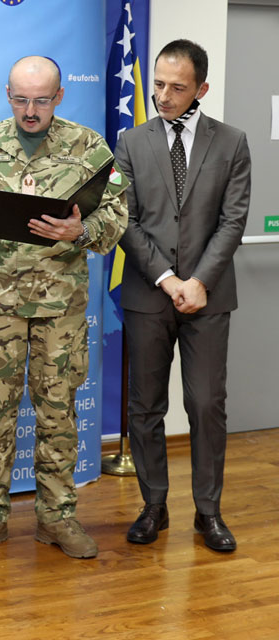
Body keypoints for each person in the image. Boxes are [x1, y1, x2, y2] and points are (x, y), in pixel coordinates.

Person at [0, 56, 128, 559]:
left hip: (61, 311)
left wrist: (80, 230)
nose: (30, 110)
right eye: (20, 99)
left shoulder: (89, 150)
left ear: (59, 96)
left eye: (41, 100)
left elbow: (117, 218)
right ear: (8, 94)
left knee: (58, 416)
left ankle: (57, 518)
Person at [115, 40, 250, 552]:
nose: (165, 96)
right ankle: (154, 506)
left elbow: (233, 220)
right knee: (145, 405)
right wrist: (169, 279)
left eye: (177, 87)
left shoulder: (232, 142)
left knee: (206, 402)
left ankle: (208, 513)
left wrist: (199, 281)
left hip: (209, 297)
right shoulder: (130, 141)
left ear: (202, 89)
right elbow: (124, 220)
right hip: (149, 294)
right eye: (159, 84)